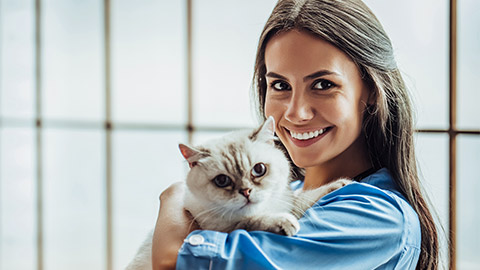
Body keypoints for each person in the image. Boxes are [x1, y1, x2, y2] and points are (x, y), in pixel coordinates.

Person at [151, 0, 439, 269]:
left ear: (373, 90)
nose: (295, 113)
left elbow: (171, 260)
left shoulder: (376, 218)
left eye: (323, 84)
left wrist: (174, 198)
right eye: (280, 85)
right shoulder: (285, 193)